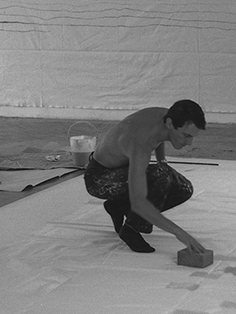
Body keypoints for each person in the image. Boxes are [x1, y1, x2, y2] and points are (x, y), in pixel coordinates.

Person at [84, 100, 208, 254]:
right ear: (170, 124)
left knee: (183, 188)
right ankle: (130, 229)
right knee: (161, 176)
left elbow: (159, 136)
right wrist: (180, 233)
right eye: (186, 135)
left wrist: (162, 161)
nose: (189, 143)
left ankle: (118, 205)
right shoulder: (140, 143)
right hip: (99, 178)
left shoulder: (166, 116)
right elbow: (139, 202)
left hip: (122, 167)